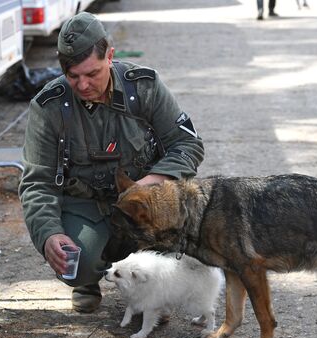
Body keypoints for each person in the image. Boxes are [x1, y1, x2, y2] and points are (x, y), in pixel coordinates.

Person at [18, 12, 204, 313]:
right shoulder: (49, 107)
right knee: (78, 262)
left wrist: (149, 185)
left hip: (145, 206)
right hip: (87, 207)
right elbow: (36, 183)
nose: (82, 85)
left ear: (110, 56)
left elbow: (187, 144)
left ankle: (153, 295)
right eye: (73, 76)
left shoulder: (144, 87)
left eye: (92, 74)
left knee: (175, 253)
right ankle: (87, 281)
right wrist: (49, 234)